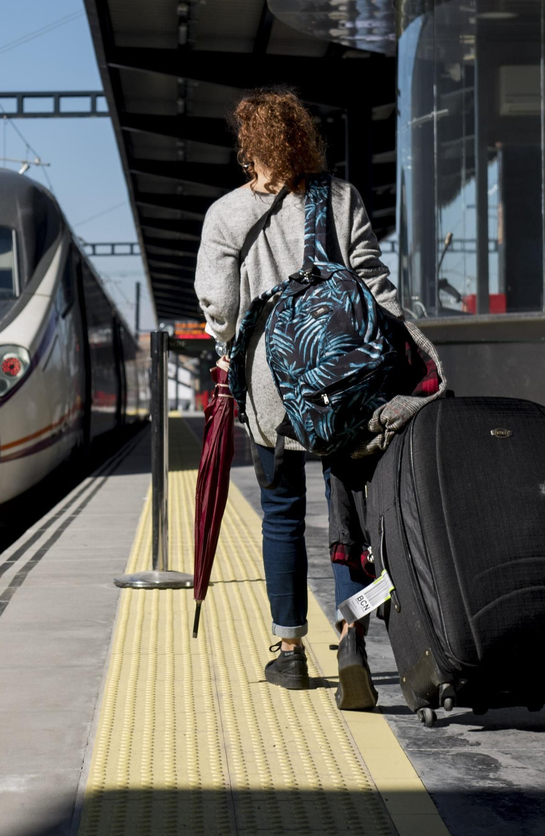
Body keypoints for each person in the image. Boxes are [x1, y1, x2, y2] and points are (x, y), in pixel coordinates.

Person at [194, 87, 397, 711]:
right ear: (303, 137)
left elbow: (220, 306)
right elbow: (372, 280)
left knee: (281, 513)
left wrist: (224, 339)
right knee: (348, 508)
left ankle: (288, 652)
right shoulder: (340, 200)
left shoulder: (227, 214)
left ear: (247, 146)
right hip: (343, 385)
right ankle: (352, 632)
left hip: (271, 389)